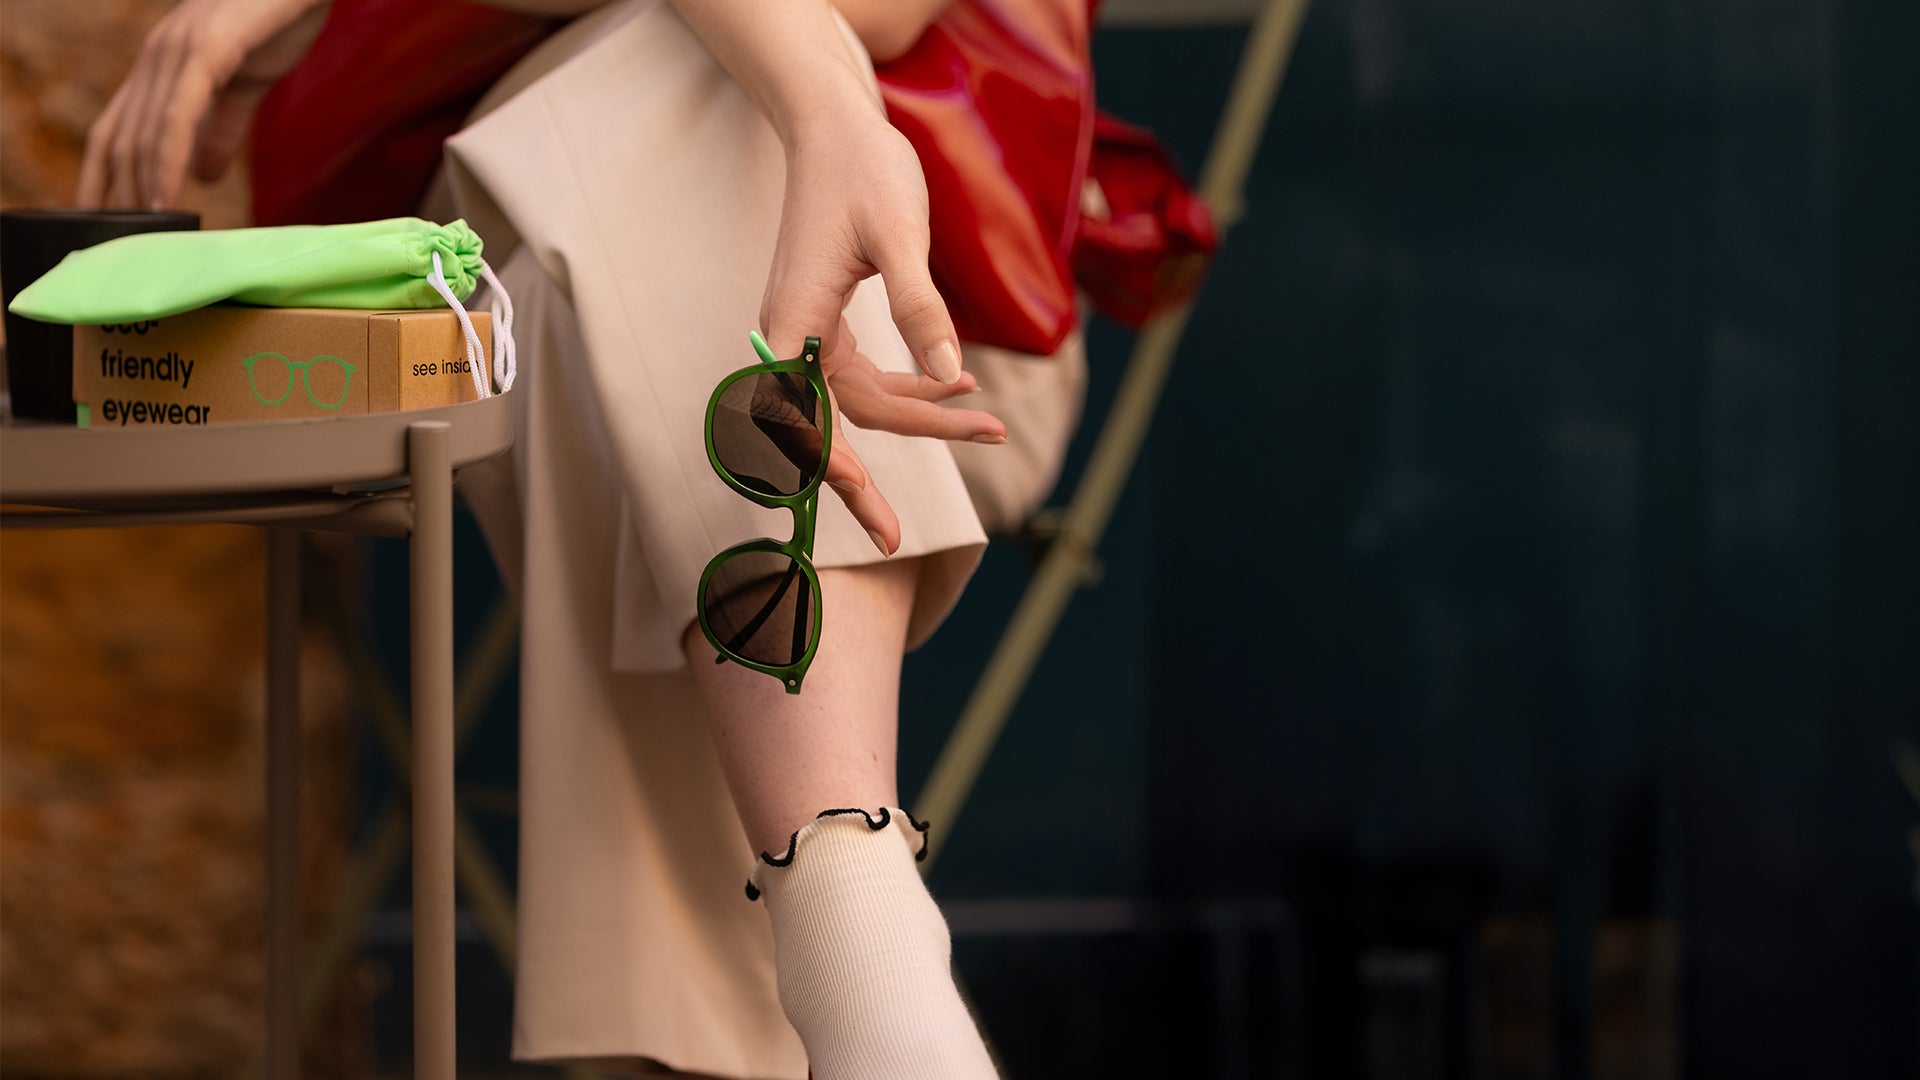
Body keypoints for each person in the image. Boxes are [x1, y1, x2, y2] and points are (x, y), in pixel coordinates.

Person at [78, 0, 1087, 1077]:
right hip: (503, 294)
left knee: (682, 81)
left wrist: (824, 117)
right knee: (623, 195)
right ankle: (870, 962)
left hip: (928, 335)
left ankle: (859, 962)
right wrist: (826, 115)